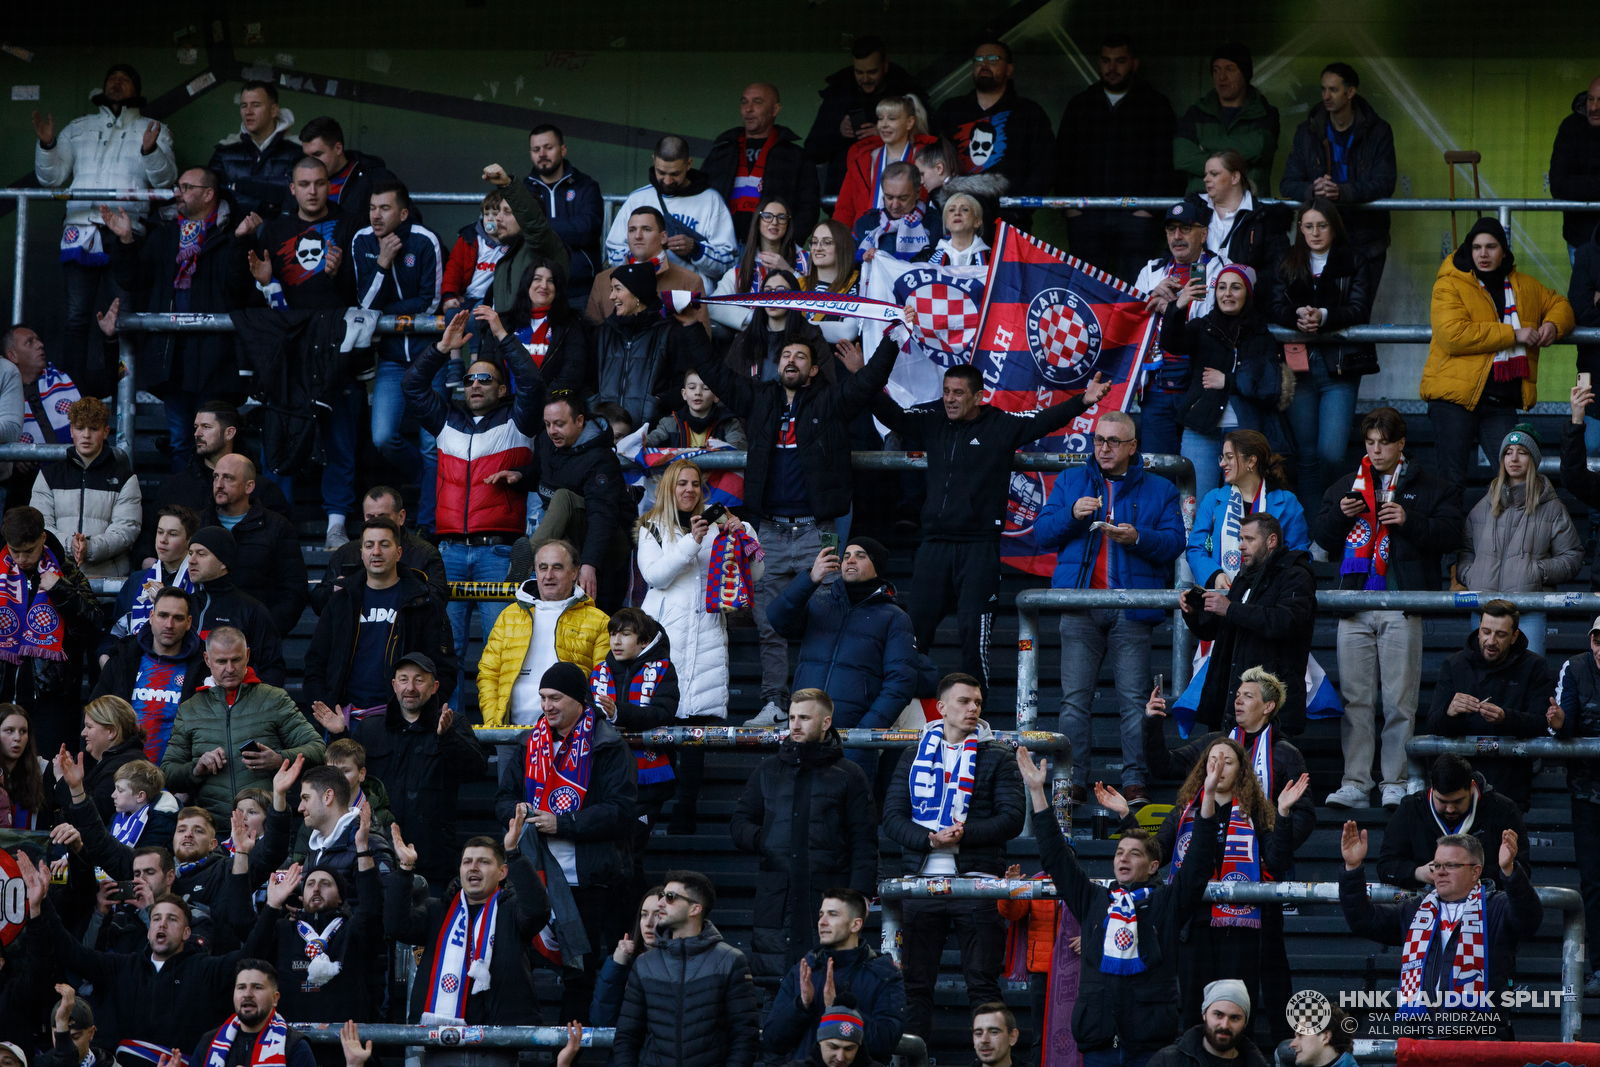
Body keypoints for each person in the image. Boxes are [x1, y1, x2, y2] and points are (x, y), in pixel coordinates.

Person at [679, 317, 904, 725]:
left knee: (828, 618)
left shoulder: (831, 399)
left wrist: (892, 340)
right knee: (769, 625)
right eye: (785, 355)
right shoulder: (759, 397)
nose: (792, 361)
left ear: (814, 369)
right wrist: (692, 327)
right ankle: (775, 703)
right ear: (776, 365)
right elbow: (714, 373)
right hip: (768, 530)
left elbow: (868, 382)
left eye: (800, 356)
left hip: (819, 531)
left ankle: (818, 706)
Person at [873, 363, 1113, 694]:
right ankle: (910, 708)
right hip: (933, 546)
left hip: (979, 548)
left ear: (979, 396)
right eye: (945, 392)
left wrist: (1083, 401)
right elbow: (892, 415)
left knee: (974, 639)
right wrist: (867, 375)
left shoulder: (999, 425)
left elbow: (1045, 420)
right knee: (913, 634)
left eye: (958, 393)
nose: (950, 399)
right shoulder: (932, 422)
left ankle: (976, 720)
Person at [1015, 745, 1213, 1067]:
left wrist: (1207, 803)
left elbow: (1199, 864)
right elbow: (1056, 858)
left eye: (1134, 854)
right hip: (1098, 1040)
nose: (1123, 857)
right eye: (1119, 852)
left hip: (1149, 1044)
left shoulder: (1166, 903)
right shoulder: (1094, 899)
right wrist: (1037, 792)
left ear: (1153, 867)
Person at [1315, 408, 1464, 809]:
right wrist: (1338, 517)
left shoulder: (1432, 486)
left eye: (1384, 442)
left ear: (1402, 444)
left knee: (1399, 700)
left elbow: (1450, 535)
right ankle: (1356, 782)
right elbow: (1322, 538)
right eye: (1370, 442)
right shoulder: (1347, 485)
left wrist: (1408, 519)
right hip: (1354, 603)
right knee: (1356, 699)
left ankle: (1395, 780)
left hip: (1402, 604)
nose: (1376, 449)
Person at [1035, 410, 1185, 804]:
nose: (1103, 447)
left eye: (1113, 441)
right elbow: (1042, 534)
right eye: (1098, 439)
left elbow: (1174, 543)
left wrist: (1137, 537)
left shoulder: (1161, 489)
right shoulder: (1070, 481)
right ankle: (1072, 780)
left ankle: (1134, 781)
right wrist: (1071, 514)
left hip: (1131, 607)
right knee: (1073, 701)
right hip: (1081, 604)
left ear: (1133, 447)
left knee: (1134, 701)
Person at [1112, 737, 1303, 1035]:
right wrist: (1126, 816)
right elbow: (1156, 853)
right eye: (1214, 761)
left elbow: (1277, 861)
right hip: (1193, 926)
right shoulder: (1184, 811)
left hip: (1241, 929)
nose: (1220, 768)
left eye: (1229, 762)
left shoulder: (1254, 811)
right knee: (1194, 1013)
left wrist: (1284, 814)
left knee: (1237, 1013)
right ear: (1203, 768)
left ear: (1241, 771)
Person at [882, 674, 1024, 1039]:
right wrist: (930, 840)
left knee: (983, 985)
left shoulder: (997, 755)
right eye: (964, 701)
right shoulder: (913, 754)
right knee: (914, 986)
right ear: (942, 707)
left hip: (978, 882)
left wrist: (963, 834)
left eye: (977, 702)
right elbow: (892, 818)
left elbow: (1012, 819)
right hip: (920, 881)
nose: (973, 708)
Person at [494, 661, 636, 1022]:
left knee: (580, 976)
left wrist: (565, 823)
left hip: (587, 879)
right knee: (513, 964)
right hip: (533, 873)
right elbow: (502, 799)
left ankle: (569, 1054)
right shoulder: (529, 742)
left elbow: (621, 811)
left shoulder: (607, 744)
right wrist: (520, 811)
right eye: (542, 698)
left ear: (578, 700)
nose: (547, 706)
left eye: (555, 697)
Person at [32, 63, 176, 398]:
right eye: (111, 79)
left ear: (135, 89)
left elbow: (165, 181)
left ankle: (124, 393)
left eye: (124, 80)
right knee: (76, 319)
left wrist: (150, 150)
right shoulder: (78, 128)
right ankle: (68, 395)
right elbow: (50, 179)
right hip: (81, 230)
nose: (116, 83)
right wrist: (48, 145)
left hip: (126, 232)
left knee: (121, 319)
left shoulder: (153, 128)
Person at [405, 312, 542, 661]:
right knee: (445, 651)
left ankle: (497, 719)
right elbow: (412, 386)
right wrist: (440, 349)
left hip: (497, 552)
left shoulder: (518, 418)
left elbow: (532, 384)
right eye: (469, 379)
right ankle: (449, 718)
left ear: (501, 388)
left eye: (485, 379)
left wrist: (500, 333)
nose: (475, 384)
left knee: (501, 652)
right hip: (448, 551)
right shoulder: (445, 417)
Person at [21, 852, 252, 1054]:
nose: (161, 925)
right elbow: (74, 953)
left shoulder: (202, 955)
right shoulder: (123, 959)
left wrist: (150, 911)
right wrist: (41, 904)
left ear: (186, 932)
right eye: (156, 919)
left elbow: (248, 953)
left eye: (171, 920)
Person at [635, 459, 760, 826]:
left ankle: (685, 808)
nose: (689, 490)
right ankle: (653, 806)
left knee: (698, 724)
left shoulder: (721, 525)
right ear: (669, 489)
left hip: (705, 630)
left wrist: (744, 536)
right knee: (661, 720)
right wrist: (693, 540)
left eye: (695, 484)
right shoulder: (651, 527)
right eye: (681, 484)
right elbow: (655, 576)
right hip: (663, 634)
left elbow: (756, 575)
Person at [103, 167, 250, 469]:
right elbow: (135, 279)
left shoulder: (230, 233)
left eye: (186, 187)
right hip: (171, 356)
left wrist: (240, 244)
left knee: (214, 443)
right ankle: (186, 512)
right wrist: (126, 240)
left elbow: (240, 290)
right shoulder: (165, 233)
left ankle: (215, 506)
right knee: (182, 440)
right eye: (178, 186)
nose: (177, 193)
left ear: (209, 194)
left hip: (214, 356)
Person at [1339, 822, 1540, 1038]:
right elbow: (1363, 920)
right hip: (1421, 1039)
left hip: (1480, 1040)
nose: (1440, 873)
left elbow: (1529, 919)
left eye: (1451, 865)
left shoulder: (1496, 907)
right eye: (1436, 866)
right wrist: (1353, 868)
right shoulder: (1416, 909)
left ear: (1475, 872)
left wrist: (1510, 871)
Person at [729, 691, 878, 976]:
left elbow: (864, 841)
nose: (795, 725)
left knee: (831, 985)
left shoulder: (849, 774)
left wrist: (859, 895)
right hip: (777, 898)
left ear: (826, 722)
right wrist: (766, 839)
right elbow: (739, 824)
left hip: (827, 894)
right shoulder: (767, 770)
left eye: (805, 718)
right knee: (777, 991)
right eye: (793, 717)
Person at [1422, 218, 1575, 486]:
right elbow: (1453, 336)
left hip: (1501, 402)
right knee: (1451, 483)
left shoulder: (1524, 285)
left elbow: (1561, 304)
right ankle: (1452, 530)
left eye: (1491, 247)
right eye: (1477, 247)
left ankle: (1506, 531)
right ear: (1469, 250)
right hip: (1453, 401)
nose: (1483, 254)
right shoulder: (1449, 284)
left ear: (1503, 251)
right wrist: (1513, 335)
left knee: (1515, 481)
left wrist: (1553, 324)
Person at [385, 813, 552, 1035]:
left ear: (502, 872)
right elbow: (396, 926)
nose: (473, 867)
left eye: (483, 862)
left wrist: (513, 853)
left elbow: (538, 910)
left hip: (500, 1037)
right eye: (467, 862)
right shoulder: (437, 909)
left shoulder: (512, 910)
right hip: (441, 1037)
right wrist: (405, 868)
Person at [1266, 199, 1377, 514]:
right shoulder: (1287, 260)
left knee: (1331, 454)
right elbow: (1273, 306)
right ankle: (1313, 529)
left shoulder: (1355, 259)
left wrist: (1324, 316)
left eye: (1322, 225)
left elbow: (1360, 308)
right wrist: (1296, 315)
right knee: (1306, 455)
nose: (1315, 232)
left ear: (1334, 226)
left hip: (1339, 367)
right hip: (1297, 367)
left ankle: (1331, 521)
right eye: (1308, 225)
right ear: (1299, 228)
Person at [765, 538, 920, 758]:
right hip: (805, 731)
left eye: (860, 555)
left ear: (877, 568)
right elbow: (777, 619)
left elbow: (901, 682)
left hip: (853, 740)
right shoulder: (818, 601)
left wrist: (863, 734)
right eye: (846, 556)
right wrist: (809, 580)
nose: (850, 561)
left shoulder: (895, 618)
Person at [159, 626, 327, 824]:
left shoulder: (274, 699)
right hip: (211, 830)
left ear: (247, 655)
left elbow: (318, 749)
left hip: (265, 828)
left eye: (236, 660)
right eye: (221, 661)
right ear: (207, 660)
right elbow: (168, 773)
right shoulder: (190, 709)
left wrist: (279, 760)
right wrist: (196, 769)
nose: (230, 669)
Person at [351, 180, 444, 525]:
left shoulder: (424, 239)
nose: (376, 215)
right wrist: (383, 262)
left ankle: (429, 524)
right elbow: (366, 305)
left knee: (432, 443)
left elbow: (430, 301)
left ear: (403, 213)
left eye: (385, 208)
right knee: (383, 437)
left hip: (429, 357)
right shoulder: (362, 240)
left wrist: (387, 308)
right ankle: (427, 480)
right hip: (390, 359)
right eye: (373, 208)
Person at [303, 516, 457, 725]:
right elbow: (315, 663)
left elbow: (445, 668)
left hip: (403, 722)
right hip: (345, 721)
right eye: (369, 545)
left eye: (384, 545)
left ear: (399, 552)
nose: (376, 551)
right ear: (362, 553)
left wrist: (418, 713)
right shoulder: (340, 601)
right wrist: (328, 711)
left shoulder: (423, 602)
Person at [1160, 264, 1292, 502]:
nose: (1227, 294)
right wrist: (1179, 306)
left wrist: (1227, 381)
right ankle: (1200, 543)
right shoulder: (1202, 326)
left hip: (1245, 433)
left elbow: (1271, 385)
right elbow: (1171, 342)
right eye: (1221, 287)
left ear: (1248, 294)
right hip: (1201, 429)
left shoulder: (1262, 334)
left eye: (1235, 287)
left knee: (1242, 506)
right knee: (1198, 505)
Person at [1056, 34, 1179, 284]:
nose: (1112, 68)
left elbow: (1168, 162)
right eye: (1106, 60)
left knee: (1140, 292)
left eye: (1120, 60)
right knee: (1084, 293)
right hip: (1086, 214)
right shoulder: (1081, 105)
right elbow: (1061, 159)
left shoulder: (1155, 105)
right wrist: (1070, 207)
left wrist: (1149, 210)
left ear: (1134, 63)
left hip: (1137, 217)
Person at [1180, 513, 1317, 735]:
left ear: (1272, 541)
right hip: (1230, 705)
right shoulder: (1244, 578)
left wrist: (1230, 609)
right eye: (1240, 539)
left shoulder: (1296, 575)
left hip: (1273, 710)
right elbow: (1217, 631)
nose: (1241, 546)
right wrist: (1193, 613)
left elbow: (1285, 622)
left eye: (1249, 539)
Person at [611, 870, 760, 1067]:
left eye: (670, 897)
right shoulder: (645, 964)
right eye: (663, 896)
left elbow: (745, 1037)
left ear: (695, 909)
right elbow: (627, 1037)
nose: (661, 902)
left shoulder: (730, 961)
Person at [1455, 426, 1581, 657]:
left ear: (1533, 459)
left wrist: (1537, 572)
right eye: (1508, 452)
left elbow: (1572, 557)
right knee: (1484, 680)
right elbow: (1465, 551)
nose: (1513, 458)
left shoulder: (1552, 508)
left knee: (1527, 684)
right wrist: (1470, 574)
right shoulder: (1483, 506)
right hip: (1485, 610)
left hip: (1529, 611)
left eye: (1522, 452)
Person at [1421, 602, 1555, 811]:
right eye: (1486, 632)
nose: (1490, 641)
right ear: (1478, 629)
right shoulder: (1454, 664)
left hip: (1510, 781)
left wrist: (1506, 718)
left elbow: (1542, 723)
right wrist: (1450, 711)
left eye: (1500, 634)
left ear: (1514, 636)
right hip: (1458, 784)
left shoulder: (1534, 666)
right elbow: (1433, 725)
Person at [1278, 63, 1398, 286]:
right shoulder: (1307, 132)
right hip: (1319, 243)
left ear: (1350, 92)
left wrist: (1342, 192)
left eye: (1333, 90)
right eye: (1323, 89)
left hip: (1367, 238)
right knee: (1322, 313)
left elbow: (1385, 182)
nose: (1326, 96)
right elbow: (1287, 183)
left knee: (1360, 314)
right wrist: (1313, 190)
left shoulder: (1378, 130)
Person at [0, 507, 104, 757]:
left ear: (43, 538)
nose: (22, 558)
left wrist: (60, 589)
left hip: (52, 698)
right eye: (15, 551)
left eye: (29, 550)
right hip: (4, 690)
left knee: (47, 775)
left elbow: (94, 622)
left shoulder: (66, 573)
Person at [135, 402, 292, 565]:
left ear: (229, 433)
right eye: (196, 427)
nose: (197, 433)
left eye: (206, 427)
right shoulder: (173, 486)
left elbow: (283, 551)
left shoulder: (264, 490)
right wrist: (146, 558)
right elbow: (149, 532)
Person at [761, 890, 905, 1065]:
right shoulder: (805, 968)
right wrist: (801, 1006)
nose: (822, 922)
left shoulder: (884, 975)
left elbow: (885, 1042)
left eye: (832, 915)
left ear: (855, 925)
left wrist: (840, 1010)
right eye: (821, 914)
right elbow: (772, 1041)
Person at [477, 540, 610, 727]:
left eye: (557, 568)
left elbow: (603, 682)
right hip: (511, 734)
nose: (549, 575)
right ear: (535, 571)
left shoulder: (599, 621)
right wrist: (494, 723)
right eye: (543, 567)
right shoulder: (509, 616)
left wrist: (584, 726)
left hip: (569, 735)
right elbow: (488, 674)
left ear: (574, 572)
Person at [245, 851, 383, 1024]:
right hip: (291, 1041)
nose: (316, 889)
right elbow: (251, 956)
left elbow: (372, 909)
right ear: (302, 897)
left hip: (344, 1043)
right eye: (310, 884)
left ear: (341, 898)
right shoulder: (283, 929)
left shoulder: (353, 930)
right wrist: (272, 906)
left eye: (325, 884)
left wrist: (363, 851)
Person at [930, 41, 1055, 228]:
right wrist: (942, 205)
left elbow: (1044, 167)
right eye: (978, 60)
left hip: (1011, 223)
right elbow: (929, 162)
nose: (984, 65)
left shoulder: (1029, 113)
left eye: (993, 59)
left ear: (1009, 69)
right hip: (955, 222)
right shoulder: (951, 110)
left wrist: (1017, 211)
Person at [525, 397, 634, 611]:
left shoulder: (601, 459)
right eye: (547, 424)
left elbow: (602, 515)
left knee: (563, 497)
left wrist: (589, 564)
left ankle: (528, 560)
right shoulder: (547, 442)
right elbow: (539, 473)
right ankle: (534, 564)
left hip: (609, 546)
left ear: (580, 421)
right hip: (568, 539)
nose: (552, 430)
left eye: (559, 424)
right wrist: (518, 475)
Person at [1133, 201, 1223, 457]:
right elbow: (1132, 321)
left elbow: (1217, 321)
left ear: (1203, 234)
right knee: (1159, 474)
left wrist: (1172, 308)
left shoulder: (1221, 268)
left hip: (1197, 385)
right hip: (1156, 389)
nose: (1177, 237)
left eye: (1185, 229)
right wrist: (1150, 299)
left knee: (1197, 472)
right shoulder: (1151, 271)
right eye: (1171, 229)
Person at [1378, 753, 1530, 891]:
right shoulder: (1410, 808)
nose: (1450, 809)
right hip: (1422, 909)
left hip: (1487, 908)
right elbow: (1386, 866)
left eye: (1458, 801)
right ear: (1432, 787)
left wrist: (1466, 875)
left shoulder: (1503, 810)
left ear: (1471, 787)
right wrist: (1418, 873)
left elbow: (1521, 869)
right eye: (1442, 801)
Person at [604, 135, 738, 287]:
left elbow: (728, 263)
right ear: (654, 160)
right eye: (661, 172)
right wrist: (641, 253)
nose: (667, 181)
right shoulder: (637, 199)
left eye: (675, 174)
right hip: (643, 299)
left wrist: (695, 249)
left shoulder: (711, 200)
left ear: (688, 164)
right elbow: (613, 254)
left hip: (692, 301)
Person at [93, 589, 206, 763]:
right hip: (124, 776)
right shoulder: (123, 659)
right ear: (151, 616)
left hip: (179, 778)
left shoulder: (203, 667)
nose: (169, 624)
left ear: (189, 622)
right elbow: (95, 716)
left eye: (178, 618)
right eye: (163, 615)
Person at [33, 396, 140, 579]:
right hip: (57, 580)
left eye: (94, 428)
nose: (86, 435)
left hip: (107, 582)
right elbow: (40, 525)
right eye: (80, 428)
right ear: (71, 430)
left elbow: (126, 530)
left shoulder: (125, 478)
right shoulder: (48, 476)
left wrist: (89, 547)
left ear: (106, 432)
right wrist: (70, 544)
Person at [201, 454, 309, 636]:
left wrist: (265, 631)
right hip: (201, 641)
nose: (218, 484)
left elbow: (293, 590)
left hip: (257, 643)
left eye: (228, 478)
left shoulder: (278, 527)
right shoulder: (197, 524)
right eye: (216, 477)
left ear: (249, 486)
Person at [1187, 431, 1309, 591]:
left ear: (1251, 461)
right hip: (1220, 599)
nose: (1222, 463)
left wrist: (1271, 583)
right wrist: (1214, 575)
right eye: (1222, 457)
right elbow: (1195, 548)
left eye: (1229, 457)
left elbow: (1299, 557)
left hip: (1267, 602)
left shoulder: (1287, 503)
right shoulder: (1213, 499)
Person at [703, 83, 820, 241]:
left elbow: (808, 209)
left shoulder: (796, 156)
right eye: (744, 102)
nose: (748, 109)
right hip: (721, 248)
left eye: (757, 102)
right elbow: (700, 199)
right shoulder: (721, 152)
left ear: (775, 110)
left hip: (770, 249)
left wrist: (786, 246)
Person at [805, 36, 917, 196]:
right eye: (859, 72)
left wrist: (886, 135)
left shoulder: (905, 93)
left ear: (885, 66)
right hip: (844, 192)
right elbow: (812, 152)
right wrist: (839, 132)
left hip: (897, 195)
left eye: (872, 72)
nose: (865, 79)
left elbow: (926, 143)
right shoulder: (838, 96)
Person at [1553, 615, 1600, 993]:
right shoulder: (1576, 667)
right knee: (1593, 881)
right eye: (1598, 639)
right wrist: (1557, 721)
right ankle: (1597, 963)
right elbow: (1565, 726)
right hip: (1587, 791)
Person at [312, 486, 447, 614]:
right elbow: (318, 604)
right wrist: (334, 590)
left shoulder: (426, 555)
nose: (376, 523)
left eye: (383, 517)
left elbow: (437, 605)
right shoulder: (345, 553)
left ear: (401, 517)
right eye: (370, 517)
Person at [247, 155, 357, 312]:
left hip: (334, 328)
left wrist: (335, 273)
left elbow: (361, 292)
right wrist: (264, 283)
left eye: (319, 184)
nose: (312, 191)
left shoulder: (350, 226)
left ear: (328, 186)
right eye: (304, 184)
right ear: (293, 189)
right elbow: (252, 302)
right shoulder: (274, 231)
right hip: (288, 329)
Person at [183, 526, 288, 687]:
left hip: (235, 707)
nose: (191, 560)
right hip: (185, 707)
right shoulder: (183, 606)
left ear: (223, 562)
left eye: (201, 554)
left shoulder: (251, 609)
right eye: (190, 553)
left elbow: (272, 668)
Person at [1175, 46, 1281, 195]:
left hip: (1248, 204)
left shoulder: (1265, 113)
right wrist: (1237, 161)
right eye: (1216, 70)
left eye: (1229, 69)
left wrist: (1205, 145)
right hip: (1201, 206)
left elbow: (1258, 148)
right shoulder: (1196, 113)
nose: (1221, 77)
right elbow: (1181, 157)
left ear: (1245, 74)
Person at [589, 262, 684, 428]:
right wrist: (594, 404)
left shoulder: (670, 332)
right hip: (604, 435)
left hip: (652, 436)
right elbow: (586, 383)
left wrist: (657, 403)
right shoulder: (603, 333)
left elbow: (682, 384)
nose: (611, 296)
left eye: (618, 289)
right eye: (612, 289)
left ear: (638, 293)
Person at [524, 123, 605, 309]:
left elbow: (587, 230)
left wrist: (538, 227)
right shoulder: (524, 190)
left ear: (563, 149)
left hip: (579, 289)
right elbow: (518, 232)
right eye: (536, 149)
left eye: (548, 147)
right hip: (534, 290)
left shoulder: (586, 186)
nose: (542, 154)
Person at [103, 504, 198, 660]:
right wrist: (104, 657)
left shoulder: (199, 581)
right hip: (136, 665)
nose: (163, 540)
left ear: (190, 540)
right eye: (160, 532)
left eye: (172, 534)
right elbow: (113, 631)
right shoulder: (137, 580)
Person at [587, 207, 710, 325]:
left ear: (663, 237)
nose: (638, 236)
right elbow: (591, 338)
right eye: (632, 230)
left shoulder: (689, 282)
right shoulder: (602, 280)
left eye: (646, 229)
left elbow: (701, 341)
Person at [832, 94, 937, 231]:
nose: (884, 124)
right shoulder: (863, 159)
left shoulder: (928, 159)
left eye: (892, 119)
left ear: (909, 123)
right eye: (881, 118)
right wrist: (838, 242)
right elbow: (845, 209)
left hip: (915, 238)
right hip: (866, 239)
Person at [484, 257, 589, 392]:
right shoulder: (502, 323)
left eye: (550, 281)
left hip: (549, 407)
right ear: (527, 283)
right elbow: (486, 369)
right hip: (506, 407)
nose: (544, 285)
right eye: (537, 279)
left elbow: (572, 374)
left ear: (558, 288)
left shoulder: (571, 325)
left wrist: (542, 402)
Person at [710, 198, 813, 334]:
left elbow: (818, 303)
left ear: (788, 224)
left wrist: (789, 271)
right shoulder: (743, 268)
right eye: (767, 216)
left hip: (797, 339)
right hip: (756, 342)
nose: (774, 222)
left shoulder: (807, 259)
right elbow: (713, 305)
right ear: (758, 223)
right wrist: (756, 319)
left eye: (781, 217)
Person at [1189, 151, 1291, 286]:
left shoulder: (1265, 219)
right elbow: (1175, 257)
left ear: (1235, 177)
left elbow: (1277, 273)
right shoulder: (1193, 211)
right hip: (1197, 302)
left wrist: (1243, 288)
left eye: (1214, 174)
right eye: (1205, 174)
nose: (1206, 179)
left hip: (1247, 304)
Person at [187, 961, 316, 1067]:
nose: (247, 994)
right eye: (241, 987)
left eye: (257, 987)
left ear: (275, 999)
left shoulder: (295, 1047)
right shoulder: (208, 1042)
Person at [208, 81, 303, 216]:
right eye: (243, 106)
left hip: (281, 230)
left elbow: (295, 189)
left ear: (273, 110)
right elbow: (212, 193)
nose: (248, 112)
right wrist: (261, 206)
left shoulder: (296, 150)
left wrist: (241, 185)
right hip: (233, 230)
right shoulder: (225, 150)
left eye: (256, 105)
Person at [724, 270, 829, 382]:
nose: (772, 296)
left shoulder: (812, 338)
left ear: (794, 296)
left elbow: (825, 390)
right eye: (767, 291)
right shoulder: (743, 340)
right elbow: (727, 386)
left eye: (780, 291)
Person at [55, 695, 147, 820]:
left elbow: (94, 813)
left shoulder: (127, 765)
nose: (83, 733)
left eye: (89, 726)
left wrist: (62, 778)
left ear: (111, 732)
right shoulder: (90, 757)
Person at [1145, 981, 1270, 1067]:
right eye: (1218, 1015)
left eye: (1234, 1018)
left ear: (1245, 1023)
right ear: (1204, 1014)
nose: (1225, 1025)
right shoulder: (1168, 1061)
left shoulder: (1256, 1063)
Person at [300, 115, 395, 224]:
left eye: (317, 155)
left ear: (338, 148)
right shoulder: (298, 181)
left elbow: (407, 217)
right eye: (307, 156)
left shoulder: (375, 178)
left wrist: (384, 240)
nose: (310, 162)